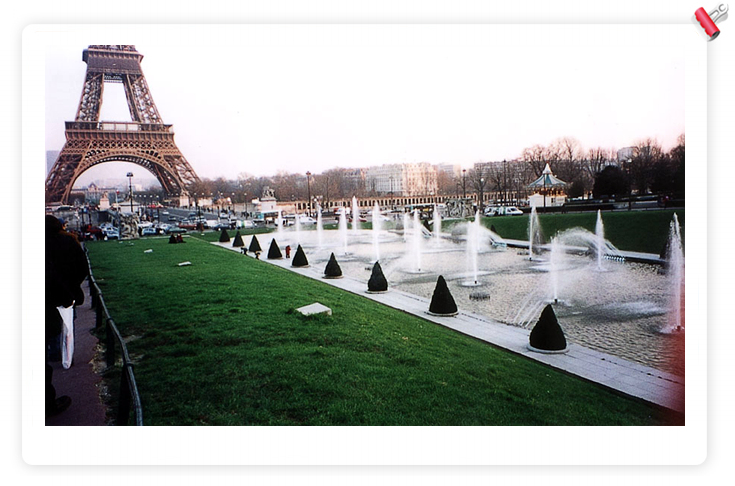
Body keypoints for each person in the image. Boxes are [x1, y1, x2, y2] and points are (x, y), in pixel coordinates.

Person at [45, 215, 88, 416]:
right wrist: (70, 289)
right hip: (59, 298)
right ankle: (47, 404)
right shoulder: (68, 241)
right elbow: (82, 268)